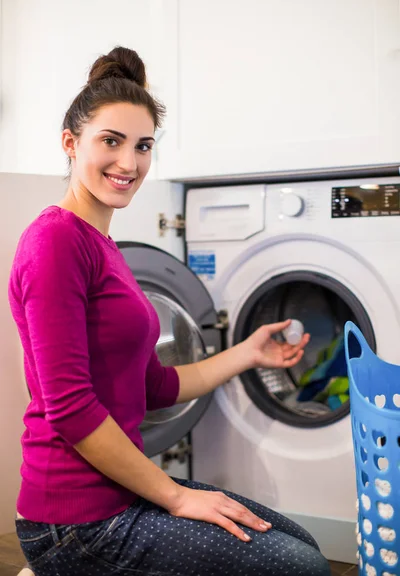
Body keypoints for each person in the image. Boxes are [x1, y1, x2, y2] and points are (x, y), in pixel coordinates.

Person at [9, 46, 331, 576]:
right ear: (70, 143)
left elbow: (153, 386)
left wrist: (248, 352)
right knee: (302, 567)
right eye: (110, 142)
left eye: (143, 146)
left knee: (301, 542)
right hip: (75, 522)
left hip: (122, 494)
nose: (129, 163)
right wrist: (178, 498)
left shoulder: (102, 244)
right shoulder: (55, 242)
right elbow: (69, 407)